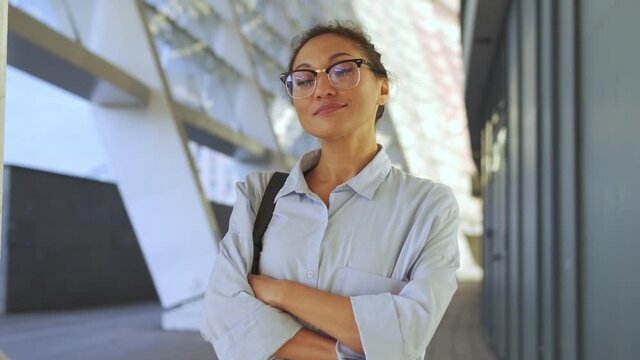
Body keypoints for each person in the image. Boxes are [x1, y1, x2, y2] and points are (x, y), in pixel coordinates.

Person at [200, 21, 460, 360]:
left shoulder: (427, 207)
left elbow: (407, 336)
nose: (321, 89)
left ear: (383, 89)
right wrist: (356, 347)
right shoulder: (259, 195)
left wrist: (281, 292)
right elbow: (220, 312)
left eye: (341, 70)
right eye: (305, 79)